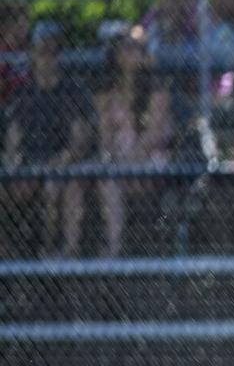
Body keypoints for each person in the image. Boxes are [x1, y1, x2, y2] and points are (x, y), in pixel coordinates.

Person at [3, 20, 94, 258]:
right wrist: (15, 167)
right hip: (28, 167)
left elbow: (78, 143)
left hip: (61, 167)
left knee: (53, 186)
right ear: (32, 55)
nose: (47, 58)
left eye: (54, 51)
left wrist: (53, 165)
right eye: (42, 51)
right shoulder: (22, 94)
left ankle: (50, 253)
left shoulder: (73, 91)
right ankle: (7, 253)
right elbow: (13, 140)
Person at [95, 24, 174, 257]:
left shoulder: (157, 90)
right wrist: (112, 159)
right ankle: (115, 248)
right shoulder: (108, 93)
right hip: (119, 160)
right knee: (107, 178)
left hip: (150, 158)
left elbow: (154, 134)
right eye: (125, 48)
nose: (131, 53)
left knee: (143, 168)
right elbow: (105, 136)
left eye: (136, 48)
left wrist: (132, 163)